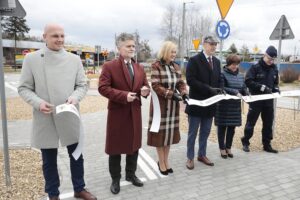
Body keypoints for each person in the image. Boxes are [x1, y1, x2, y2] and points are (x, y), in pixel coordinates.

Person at [18, 24, 96, 200]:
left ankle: (79, 188)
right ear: (44, 37)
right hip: (45, 116)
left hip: (69, 114)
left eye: (62, 35)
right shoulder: (31, 59)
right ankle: (53, 194)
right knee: (49, 161)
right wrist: (38, 103)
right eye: (55, 36)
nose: (60, 39)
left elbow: (82, 84)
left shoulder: (74, 60)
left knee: (76, 155)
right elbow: (24, 88)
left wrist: (75, 97)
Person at [98, 33, 150, 194]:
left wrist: (145, 91)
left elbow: (145, 86)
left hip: (134, 113)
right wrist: (123, 96)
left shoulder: (139, 67)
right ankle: (115, 179)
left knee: (133, 146)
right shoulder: (109, 66)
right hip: (117, 114)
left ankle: (131, 174)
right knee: (115, 148)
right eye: (128, 46)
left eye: (133, 46)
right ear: (119, 48)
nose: (132, 48)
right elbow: (103, 88)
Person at [147, 41, 188, 175]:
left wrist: (184, 93)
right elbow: (155, 85)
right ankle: (161, 162)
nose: (174, 54)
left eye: (175, 52)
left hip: (173, 107)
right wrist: (171, 94)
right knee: (160, 136)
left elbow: (181, 83)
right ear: (165, 51)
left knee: (169, 136)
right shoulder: (156, 66)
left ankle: (166, 160)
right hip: (161, 106)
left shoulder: (176, 66)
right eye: (172, 52)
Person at [185, 35, 222, 169]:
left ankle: (202, 154)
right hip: (196, 104)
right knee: (192, 133)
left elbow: (219, 79)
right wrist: (208, 89)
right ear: (204, 45)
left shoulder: (217, 62)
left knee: (205, 132)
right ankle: (190, 157)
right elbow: (190, 80)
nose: (213, 47)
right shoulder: (194, 60)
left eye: (215, 44)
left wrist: (221, 90)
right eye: (211, 44)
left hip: (210, 104)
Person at [241, 46, 280, 153]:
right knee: (251, 122)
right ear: (264, 55)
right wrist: (261, 87)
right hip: (256, 100)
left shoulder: (274, 68)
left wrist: (276, 89)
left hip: (268, 101)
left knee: (268, 123)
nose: (270, 61)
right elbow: (248, 81)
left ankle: (267, 144)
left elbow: (275, 82)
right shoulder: (255, 67)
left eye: (273, 59)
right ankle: (245, 142)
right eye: (269, 58)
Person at [215, 54, 248, 159]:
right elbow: (222, 87)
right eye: (233, 64)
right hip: (223, 106)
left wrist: (247, 93)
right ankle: (222, 148)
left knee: (232, 129)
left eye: (237, 64)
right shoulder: (222, 74)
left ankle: (228, 147)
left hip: (235, 107)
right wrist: (235, 92)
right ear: (228, 63)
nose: (235, 66)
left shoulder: (241, 75)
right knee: (222, 128)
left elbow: (243, 87)